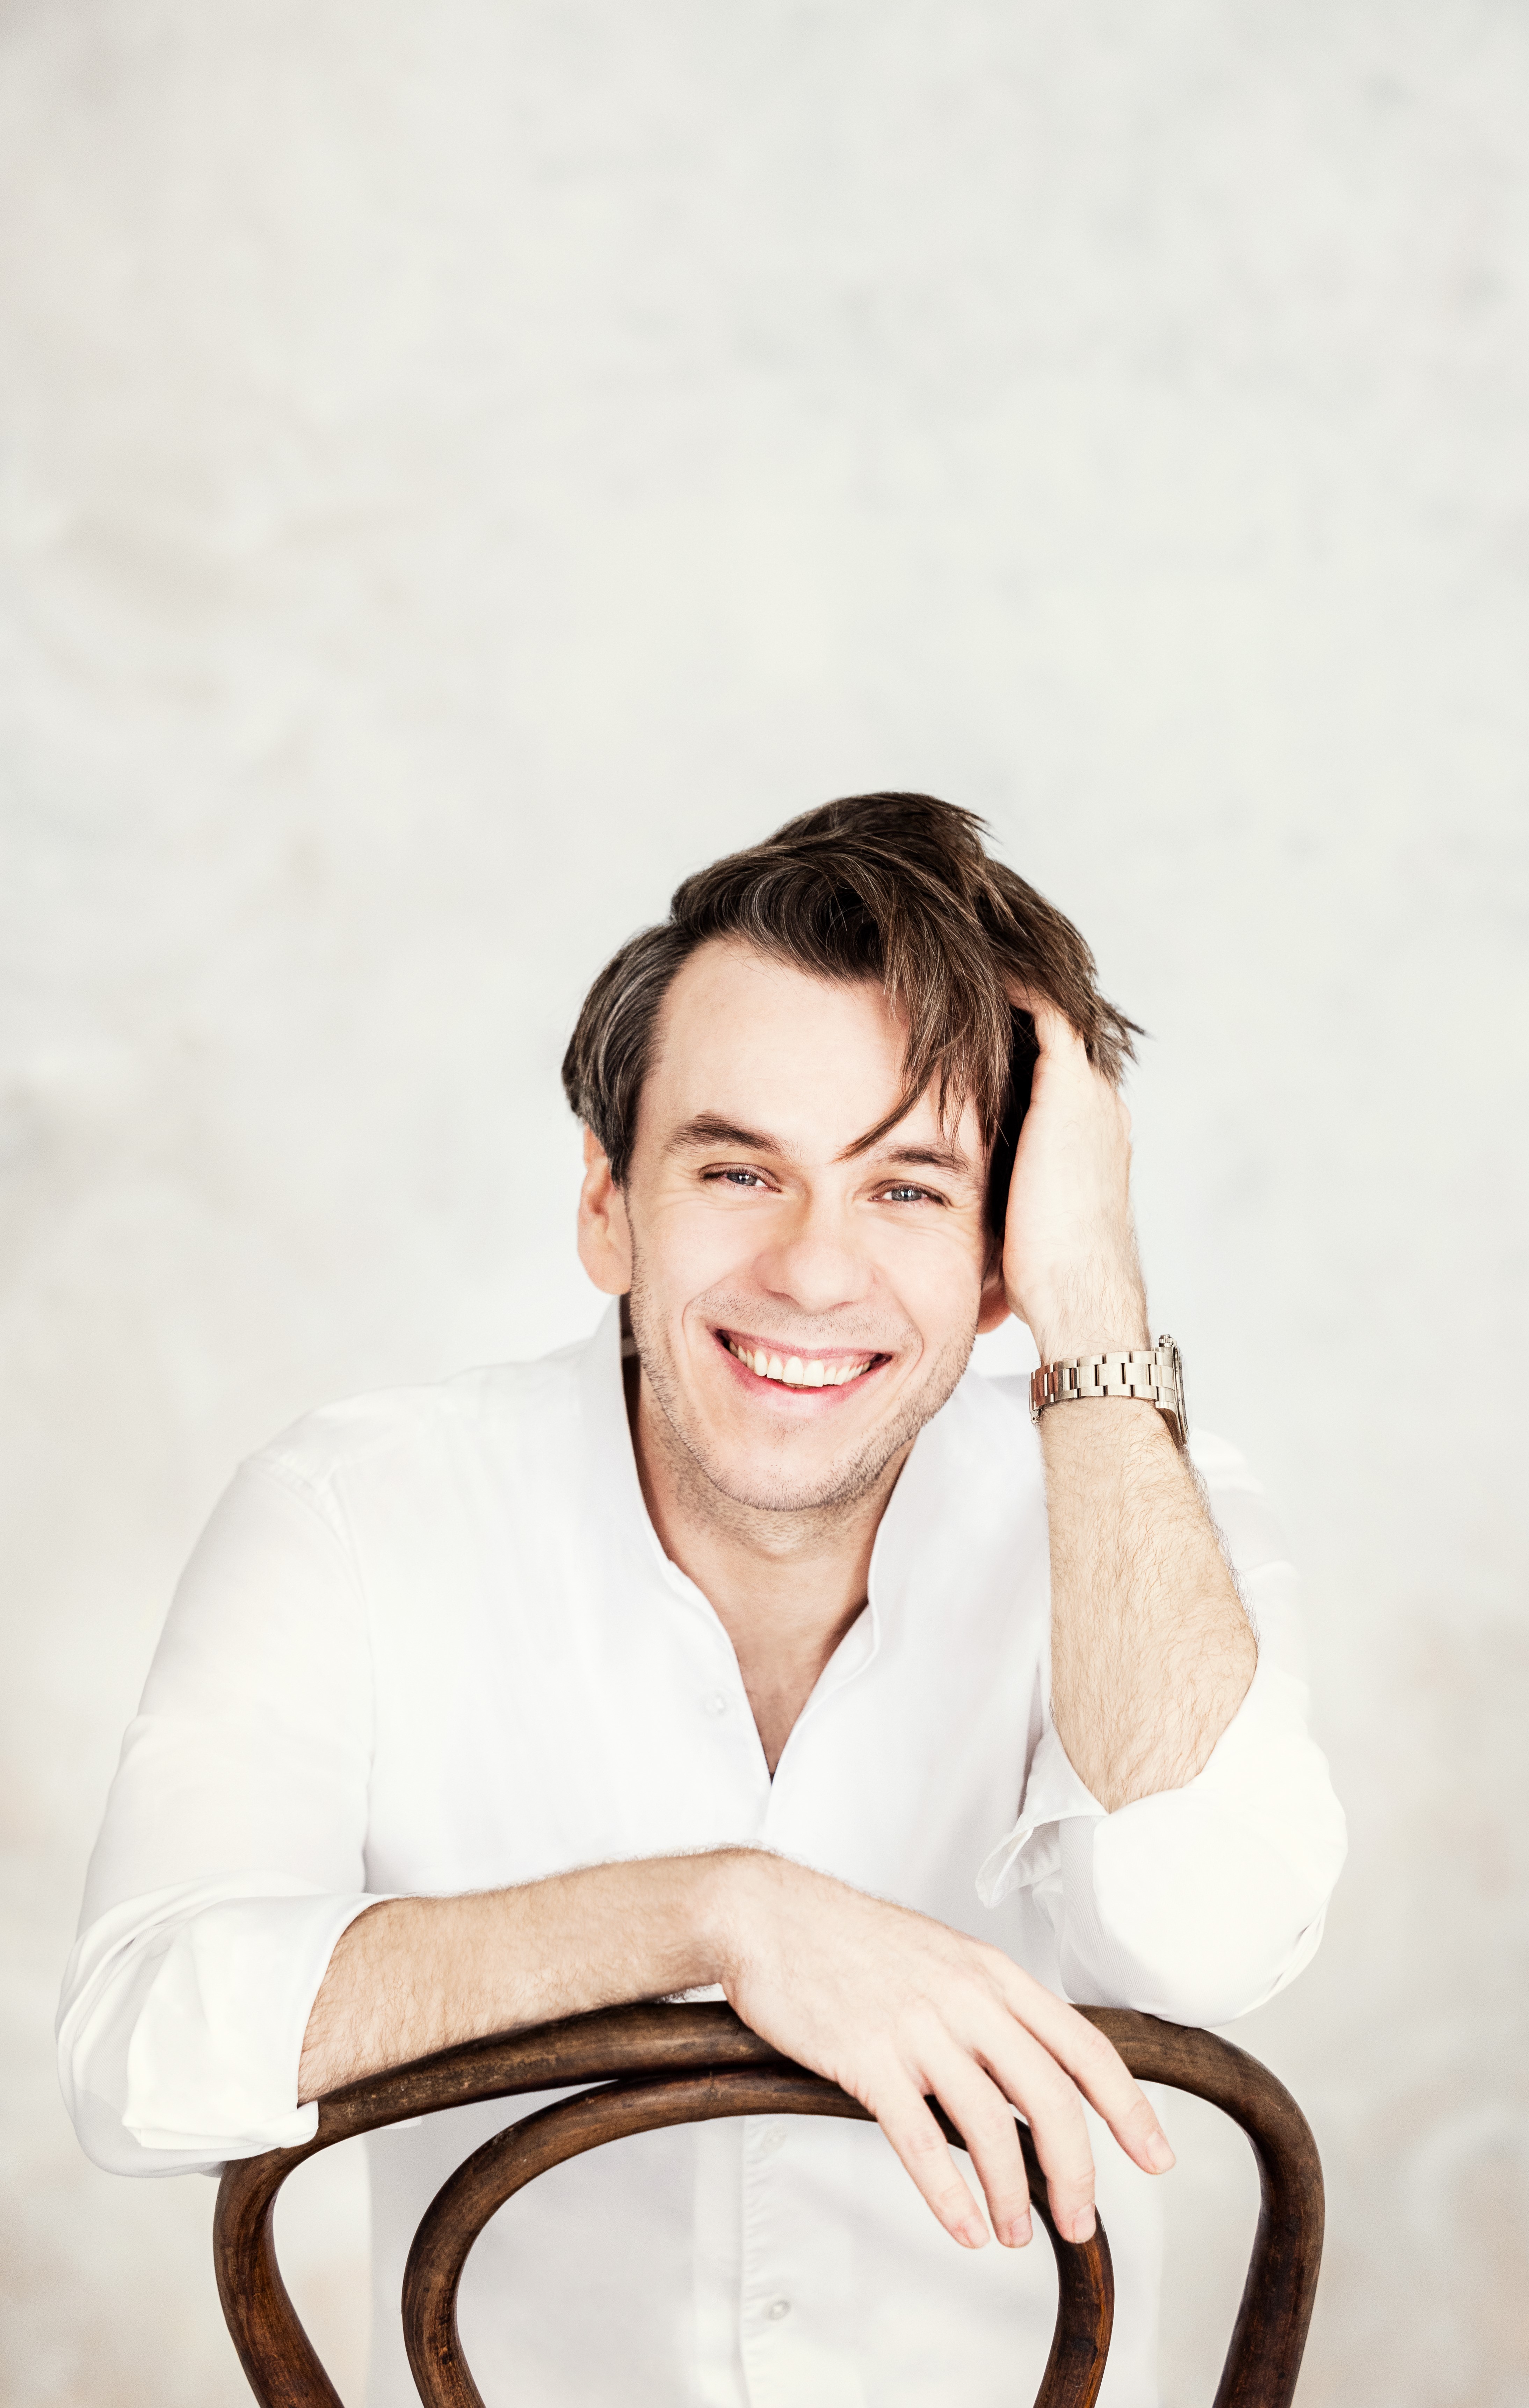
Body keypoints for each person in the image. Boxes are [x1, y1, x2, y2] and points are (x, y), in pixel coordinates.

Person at [58, 793, 1346, 2408]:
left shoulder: (1148, 1505)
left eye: (911, 1190)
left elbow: (1213, 1939)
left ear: (1004, 1257)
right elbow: (142, 2055)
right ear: (607, 1204)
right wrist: (712, 1912)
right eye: (740, 1171)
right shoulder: (352, 1512)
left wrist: (1095, 1298)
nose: (812, 1272)